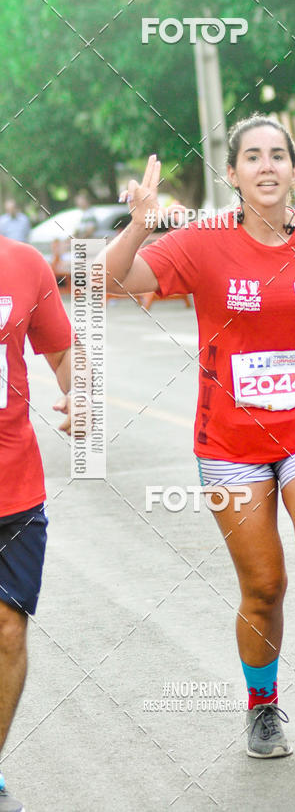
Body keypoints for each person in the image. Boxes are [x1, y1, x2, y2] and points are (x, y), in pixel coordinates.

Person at [103, 114, 295, 759]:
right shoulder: (204, 241)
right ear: (232, 174)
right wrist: (140, 222)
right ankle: (262, 706)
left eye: (278, 156)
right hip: (231, 445)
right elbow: (111, 282)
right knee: (265, 589)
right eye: (252, 157)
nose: (267, 166)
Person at [0, 235, 72, 811]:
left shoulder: (23, 264)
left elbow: (62, 349)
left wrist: (82, 397)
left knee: (7, 631)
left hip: (13, 487)